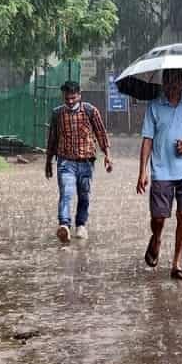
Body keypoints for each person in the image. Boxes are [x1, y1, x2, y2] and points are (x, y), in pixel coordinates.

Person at [137, 69, 182, 280]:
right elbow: (147, 139)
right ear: (163, 83)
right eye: (168, 81)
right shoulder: (154, 106)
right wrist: (142, 171)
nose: (172, 86)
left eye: (176, 81)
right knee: (159, 217)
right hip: (161, 169)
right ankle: (157, 237)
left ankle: (177, 264)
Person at [46, 81, 112, 243]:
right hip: (65, 162)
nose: (70, 101)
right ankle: (64, 225)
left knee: (84, 195)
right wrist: (48, 162)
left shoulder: (90, 111)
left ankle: (81, 225)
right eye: (67, 98)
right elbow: (52, 139)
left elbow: (101, 133)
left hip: (86, 161)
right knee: (66, 193)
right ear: (63, 97)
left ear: (79, 95)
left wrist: (107, 156)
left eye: (73, 98)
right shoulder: (57, 114)